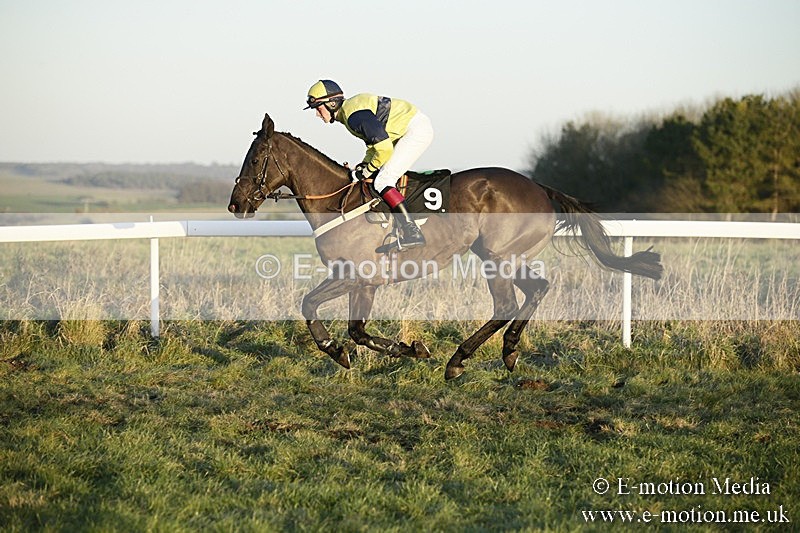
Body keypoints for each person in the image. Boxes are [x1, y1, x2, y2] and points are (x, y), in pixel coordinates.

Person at [304, 79, 433, 250]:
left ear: (332, 103)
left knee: (383, 181)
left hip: (414, 131)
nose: (317, 114)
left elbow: (384, 149)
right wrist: (363, 166)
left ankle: (413, 232)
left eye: (318, 108)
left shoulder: (353, 116)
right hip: (408, 128)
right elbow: (374, 149)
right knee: (378, 175)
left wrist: (365, 172)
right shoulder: (350, 112)